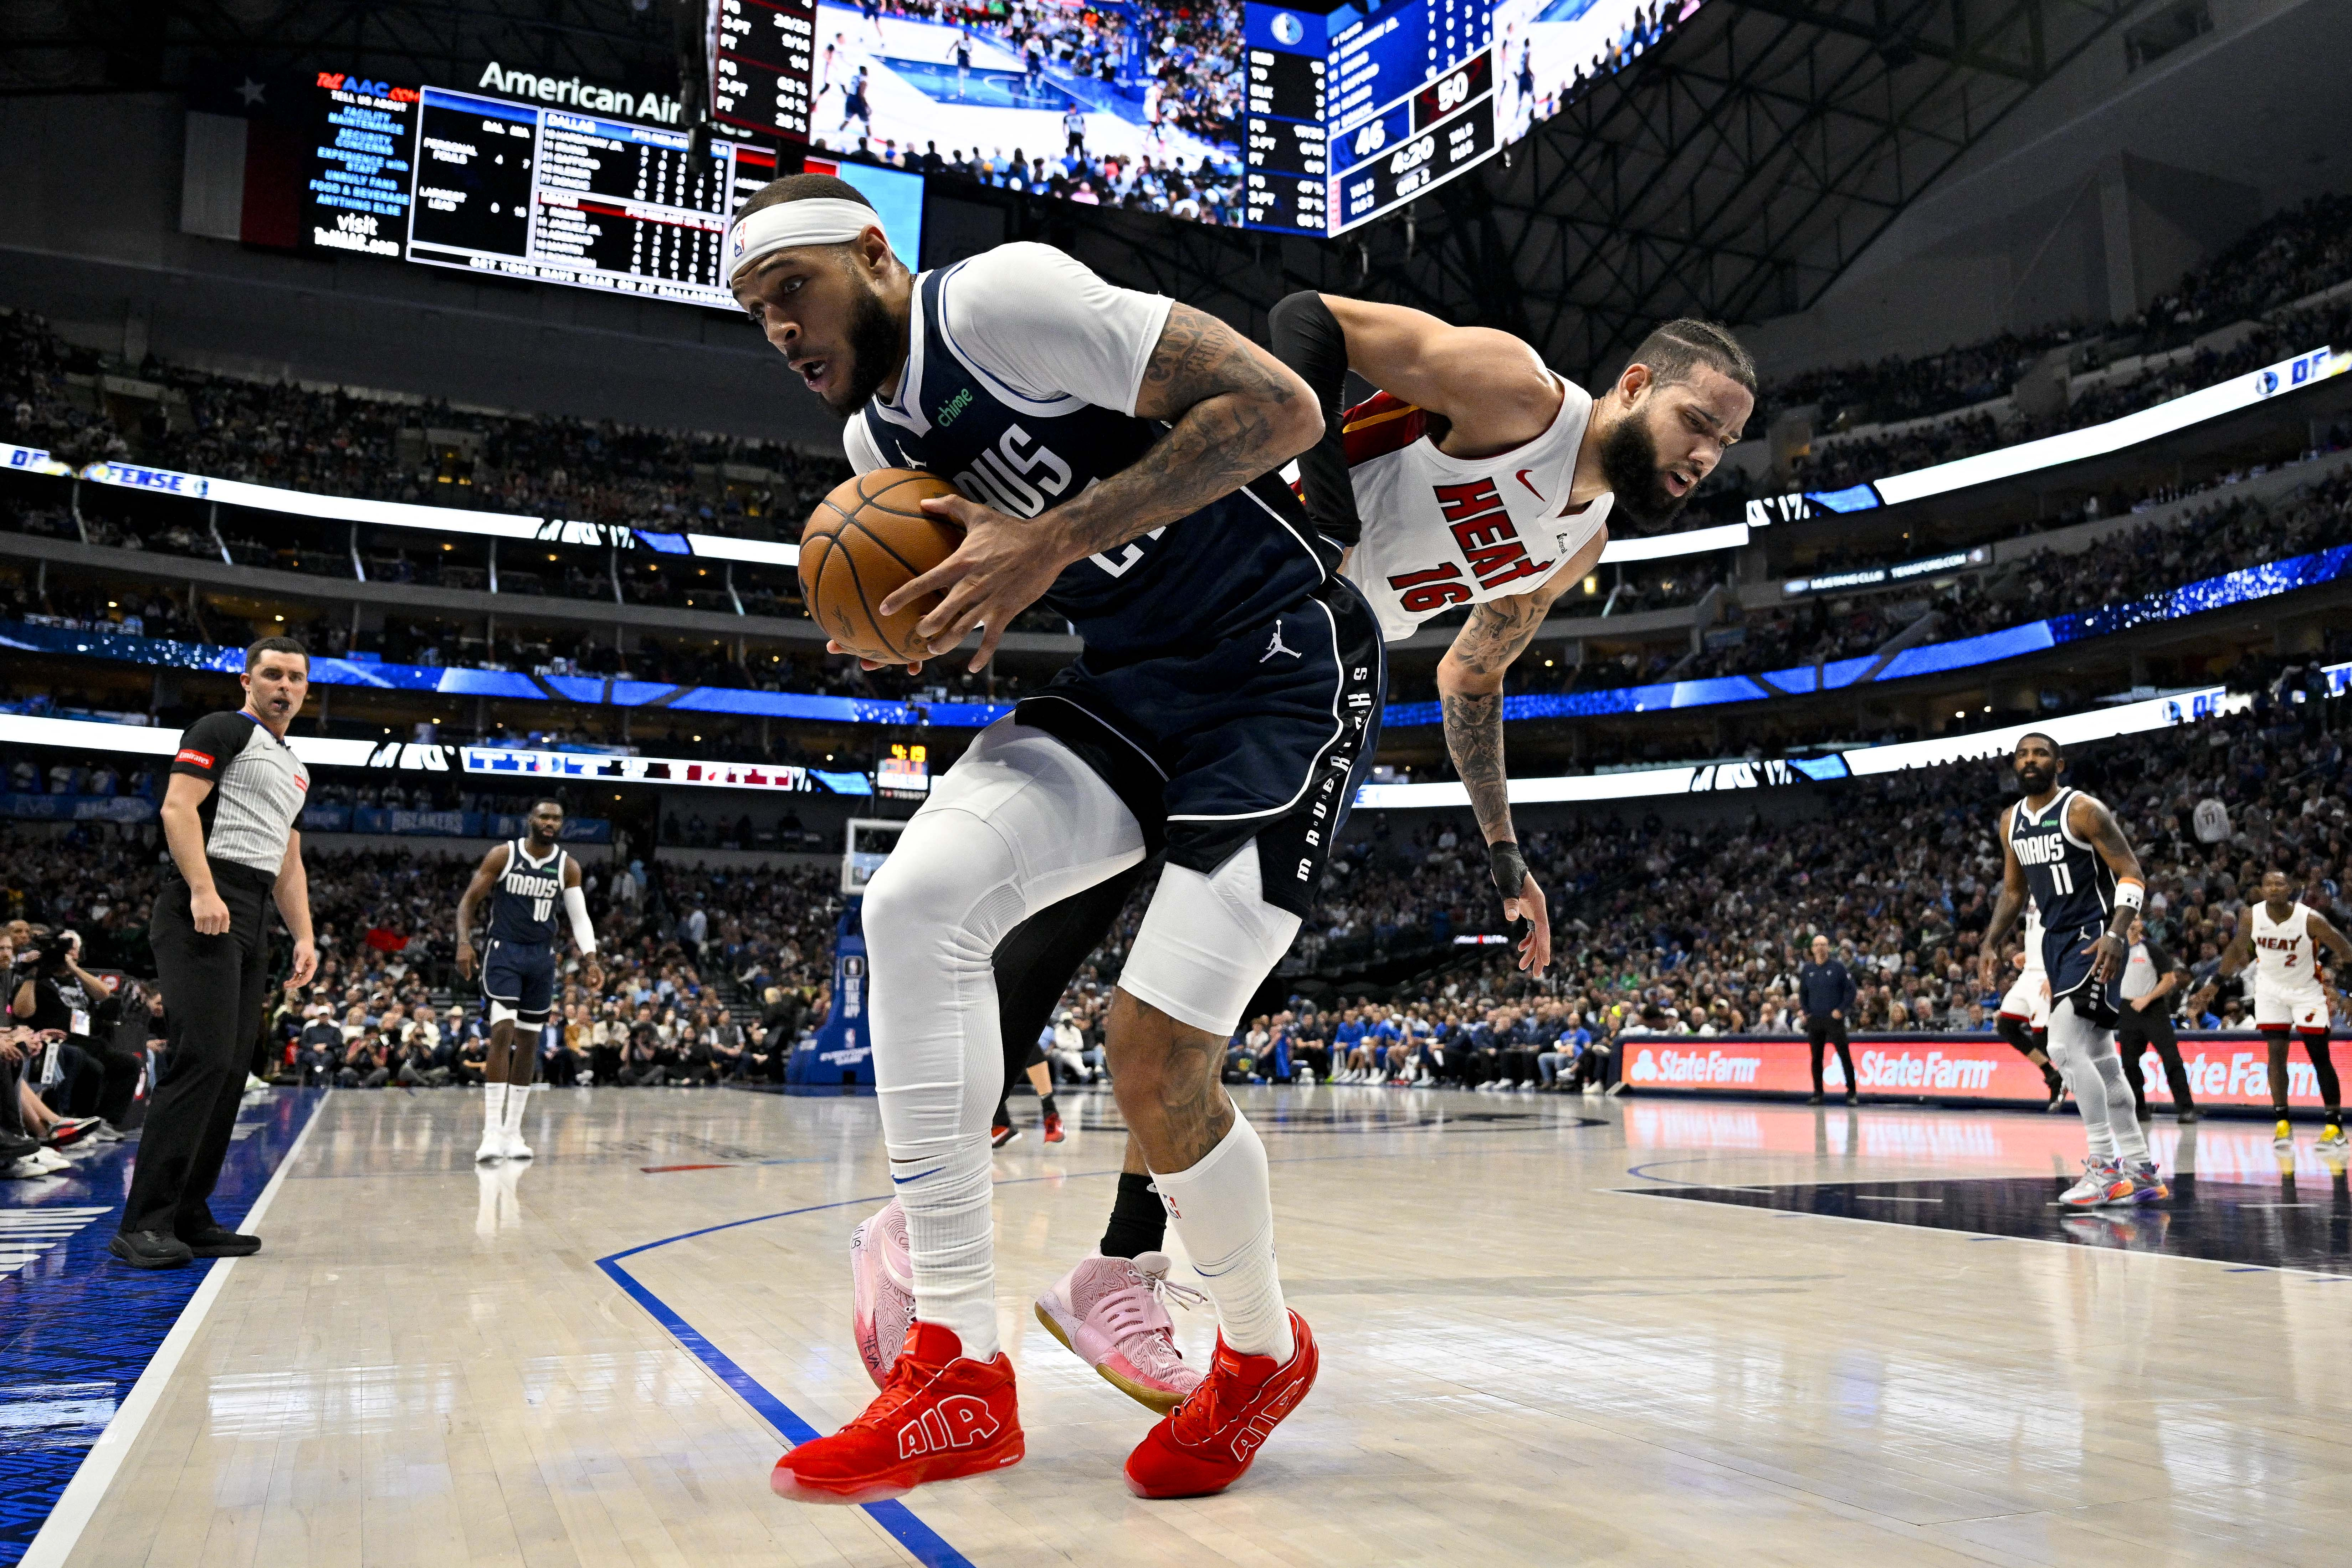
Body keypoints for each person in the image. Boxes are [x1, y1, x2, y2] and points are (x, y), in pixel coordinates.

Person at [851, 293, 1750, 1403]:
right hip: (1236, 599)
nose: (1707, 451)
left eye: (1726, 440)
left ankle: (1104, 1260)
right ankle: (964, 1224)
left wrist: (1504, 850)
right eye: (1698, 420)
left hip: (1308, 683)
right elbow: (1307, 318)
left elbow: (1473, 674)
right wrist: (1326, 509)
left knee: (1189, 1001)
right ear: (1634, 385)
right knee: (1067, 902)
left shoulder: (1582, 539)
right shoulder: (1517, 392)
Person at [730, 174, 1368, 1502]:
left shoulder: (1000, 302)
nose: (778, 330)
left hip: (1277, 672)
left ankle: (1259, 1349)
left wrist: (1052, 536)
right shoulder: (872, 450)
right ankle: (957, 1369)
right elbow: (1019, 566)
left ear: (870, 253)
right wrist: (923, 613)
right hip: (1132, 683)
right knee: (914, 899)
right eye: (753, 312)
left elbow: (1281, 409)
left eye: (790, 290)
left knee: (1152, 1056)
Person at [111, 636, 318, 1269]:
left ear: (307, 690)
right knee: (199, 1058)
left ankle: (190, 1214)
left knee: (231, 1068)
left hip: (253, 911)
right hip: (205, 897)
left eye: (296, 678)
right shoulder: (222, 728)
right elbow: (178, 808)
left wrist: (305, 936)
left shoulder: (297, 766)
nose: (285, 686)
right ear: (247, 682)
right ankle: (143, 1221)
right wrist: (202, 887)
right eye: (273, 674)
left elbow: (289, 861)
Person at [1976, 732, 2164, 1209]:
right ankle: (2141, 1170)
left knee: (2060, 1044)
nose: (2030, 760)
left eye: (2040, 753)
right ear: (2013, 765)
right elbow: (2014, 893)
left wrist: (2118, 932)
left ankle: (2105, 1169)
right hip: (2054, 942)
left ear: (2058, 762)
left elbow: (2131, 872)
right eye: (2022, 754)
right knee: (2101, 1056)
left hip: (2094, 934)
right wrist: (1990, 941)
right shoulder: (2011, 821)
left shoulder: (2083, 810)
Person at [455, 799, 603, 1163]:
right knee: (502, 1032)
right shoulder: (503, 856)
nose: (551, 822)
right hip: (504, 952)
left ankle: (513, 1133)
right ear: (531, 820)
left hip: (541, 957)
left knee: (529, 1041)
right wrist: (463, 942)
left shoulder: (567, 866)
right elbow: (469, 901)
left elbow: (580, 918)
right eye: (545, 816)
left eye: (557, 817)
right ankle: (491, 1132)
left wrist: (591, 959)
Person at [2195, 867, 2351, 1151]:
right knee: (2275, 1056)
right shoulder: (2252, 915)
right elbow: (2235, 950)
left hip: (2306, 991)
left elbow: (2346, 950)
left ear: (2290, 889)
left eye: (2280, 885)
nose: (2274, 889)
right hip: (2270, 992)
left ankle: (2334, 1127)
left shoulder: (2310, 919)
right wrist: (2215, 983)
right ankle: (2282, 1123)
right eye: (2269, 885)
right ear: (2263, 890)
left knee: (2319, 1056)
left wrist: (2349, 994)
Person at [2116, 915, 2197, 1123]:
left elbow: (2170, 980)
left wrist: (2147, 999)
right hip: (2128, 1010)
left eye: (2135, 919)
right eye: (2129, 919)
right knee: (2129, 1063)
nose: (2132, 923)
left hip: (2154, 1010)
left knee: (2171, 1058)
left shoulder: (2152, 949)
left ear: (2141, 924)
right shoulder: (2118, 951)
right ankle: (2139, 1109)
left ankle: (2186, 1108)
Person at [1993, 902, 2067, 1108]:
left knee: (2041, 1036)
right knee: (2006, 1026)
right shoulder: (2034, 893)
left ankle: (2075, 1076)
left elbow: (2066, 937)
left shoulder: (2055, 890)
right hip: (2029, 972)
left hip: (2046, 974)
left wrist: (2055, 975)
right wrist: (2029, 954)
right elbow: (2039, 935)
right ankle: (2052, 1075)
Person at [1795, 934, 1856, 1105]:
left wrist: (1841, 1010)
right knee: (1816, 1058)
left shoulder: (1838, 968)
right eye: (1817, 945)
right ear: (1812, 949)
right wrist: (1807, 1012)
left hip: (1834, 1020)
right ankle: (1818, 1093)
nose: (1820, 948)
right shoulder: (1808, 969)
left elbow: (1851, 991)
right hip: (1815, 1020)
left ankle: (1852, 1093)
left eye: (1824, 944)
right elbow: (1803, 993)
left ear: (1828, 948)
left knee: (1844, 1055)